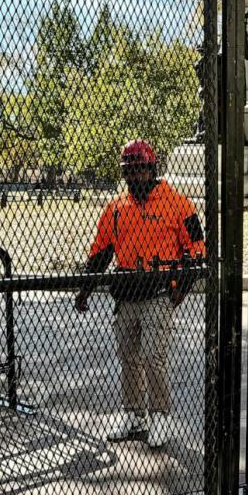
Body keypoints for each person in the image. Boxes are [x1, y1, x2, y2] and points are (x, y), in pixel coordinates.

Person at [76, 140, 206, 447]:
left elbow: (197, 249)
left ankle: (159, 415)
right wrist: (86, 288)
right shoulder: (116, 208)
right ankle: (134, 415)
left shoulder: (178, 204)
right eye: (130, 172)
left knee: (152, 356)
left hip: (159, 290)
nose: (136, 177)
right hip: (127, 292)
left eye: (140, 170)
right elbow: (100, 251)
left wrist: (181, 288)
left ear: (152, 169)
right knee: (128, 357)